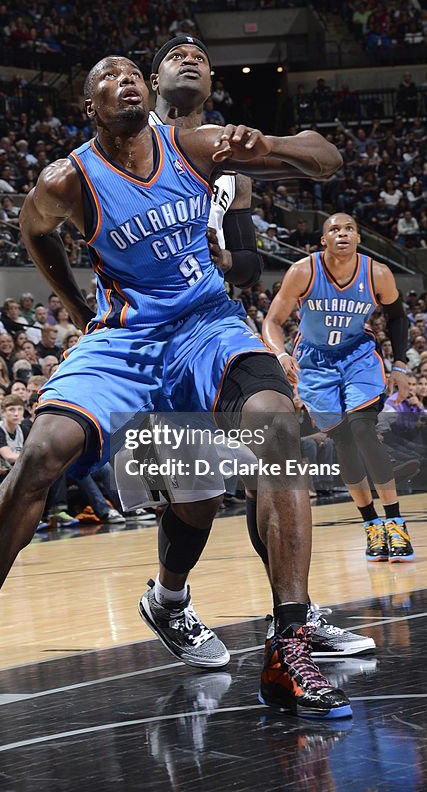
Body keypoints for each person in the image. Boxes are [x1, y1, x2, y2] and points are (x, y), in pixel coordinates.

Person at [0, 54, 350, 737]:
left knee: (277, 437)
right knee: (43, 452)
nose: (125, 80)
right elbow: (33, 232)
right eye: (107, 77)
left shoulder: (196, 145)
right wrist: (80, 310)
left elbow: (328, 160)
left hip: (206, 326)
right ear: (90, 106)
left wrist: (275, 146)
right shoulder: (67, 179)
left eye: (133, 72)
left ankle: (287, 644)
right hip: (126, 338)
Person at [143, 37, 370, 659]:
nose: (189, 59)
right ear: (150, 76)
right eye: (175, 54)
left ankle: (292, 616)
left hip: (216, 327)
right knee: (197, 498)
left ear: (212, 82)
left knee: (272, 463)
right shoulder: (126, 144)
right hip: (153, 335)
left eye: (200, 56)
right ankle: (168, 600)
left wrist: (223, 257)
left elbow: (246, 264)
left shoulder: (230, 160)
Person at [264, 213, 415, 563]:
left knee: (362, 429)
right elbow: (272, 321)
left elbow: (397, 317)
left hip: (357, 355)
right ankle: (371, 525)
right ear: (323, 240)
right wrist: (280, 352)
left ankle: (395, 520)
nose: (342, 234)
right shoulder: (303, 271)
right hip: (315, 362)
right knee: (343, 440)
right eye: (334, 229)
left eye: (349, 229)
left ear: (359, 238)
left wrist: (402, 364)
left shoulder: (377, 273)